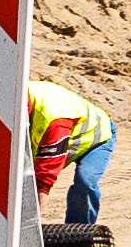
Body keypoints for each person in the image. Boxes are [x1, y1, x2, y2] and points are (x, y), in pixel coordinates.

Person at [26, 76, 113, 236]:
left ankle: (77, 237)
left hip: (96, 137)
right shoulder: (19, 96)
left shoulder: (53, 120)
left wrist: (33, 226)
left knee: (85, 181)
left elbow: (44, 179)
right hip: (66, 136)